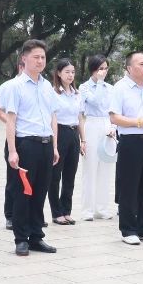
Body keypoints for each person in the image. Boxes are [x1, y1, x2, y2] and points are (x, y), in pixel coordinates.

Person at [2, 40, 60, 256]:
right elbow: (10, 120)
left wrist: (55, 146)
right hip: (26, 144)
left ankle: (36, 236)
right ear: (24, 58)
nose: (40, 61)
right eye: (36, 57)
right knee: (22, 193)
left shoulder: (47, 86)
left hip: (46, 144)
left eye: (43, 57)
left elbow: (53, 117)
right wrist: (12, 151)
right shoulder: (14, 86)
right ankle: (21, 238)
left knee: (40, 192)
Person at [108, 51, 143, 246]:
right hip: (131, 142)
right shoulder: (120, 88)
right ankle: (128, 229)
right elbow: (114, 117)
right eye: (141, 64)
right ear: (129, 68)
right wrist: (138, 122)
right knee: (129, 186)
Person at [78, 55, 116, 221]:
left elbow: (114, 109)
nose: (104, 72)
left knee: (105, 169)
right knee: (90, 168)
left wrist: (113, 128)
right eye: (100, 68)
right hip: (92, 124)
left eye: (106, 68)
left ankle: (102, 208)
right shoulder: (84, 87)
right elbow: (95, 102)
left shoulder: (111, 88)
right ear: (93, 69)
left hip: (107, 124)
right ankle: (87, 210)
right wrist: (99, 83)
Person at [49, 58, 85, 225]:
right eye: (67, 72)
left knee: (70, 175)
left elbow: (80, 117)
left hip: (73, 134)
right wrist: (55, 145)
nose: (70, 75)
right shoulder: (54, 93)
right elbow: (53, 118)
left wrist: (83, 140)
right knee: (55, 175)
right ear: (59, 73)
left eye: (72, 72)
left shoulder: (77, 94)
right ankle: (56, 212)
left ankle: (66, 210)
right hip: (59, 132)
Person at [0, 58, 26, 231]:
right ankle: (10, 215)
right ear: (21, 66)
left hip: (32, 137)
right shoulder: (7, 86)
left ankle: (29, 214)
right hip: (15, 136)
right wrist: (11, 124)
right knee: (14, 178)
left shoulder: (42, 86)